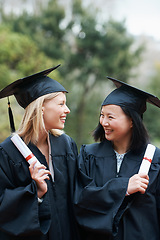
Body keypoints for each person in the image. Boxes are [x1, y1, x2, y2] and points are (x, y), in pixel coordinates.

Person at [74, 77, 160, 240]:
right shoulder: (89, 156)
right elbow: (81, 200)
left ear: (132, 121)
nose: (103, 122)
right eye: (102, 115)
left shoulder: (155, 160)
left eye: (110, 117)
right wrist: (123, 188)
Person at [0, 65, 80, 240]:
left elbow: (81, 195)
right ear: (41, 108)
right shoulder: (8, 152)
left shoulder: (67, 145)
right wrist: (34, 192)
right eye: (61, 104)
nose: (67, 110)